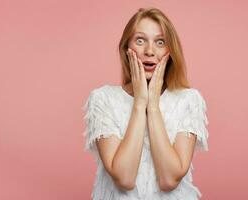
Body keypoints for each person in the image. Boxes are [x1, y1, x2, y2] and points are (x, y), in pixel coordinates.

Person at [82, 7, 209, 200]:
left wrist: (154, 106)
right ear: (127, 49)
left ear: (170, 50)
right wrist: (140, 104)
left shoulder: (189, 100)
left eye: (160, 42)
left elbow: (169, 180)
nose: (150, 51)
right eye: (140, 41)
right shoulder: (103, 99)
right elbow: (124, 178)